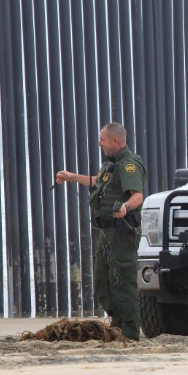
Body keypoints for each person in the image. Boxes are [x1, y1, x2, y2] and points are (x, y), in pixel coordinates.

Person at [56, 122, 146, 340]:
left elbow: (137, 196)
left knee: (123, 282)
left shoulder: (129, 165)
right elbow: (99, 182)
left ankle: (130, 332)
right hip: (106, 232)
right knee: (103, 281)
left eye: (102, 140)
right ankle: (117, 325)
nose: (99, 143)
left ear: (115, 141)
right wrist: (72, 177)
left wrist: (125, 207)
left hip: (122, 233)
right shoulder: (111, 164)